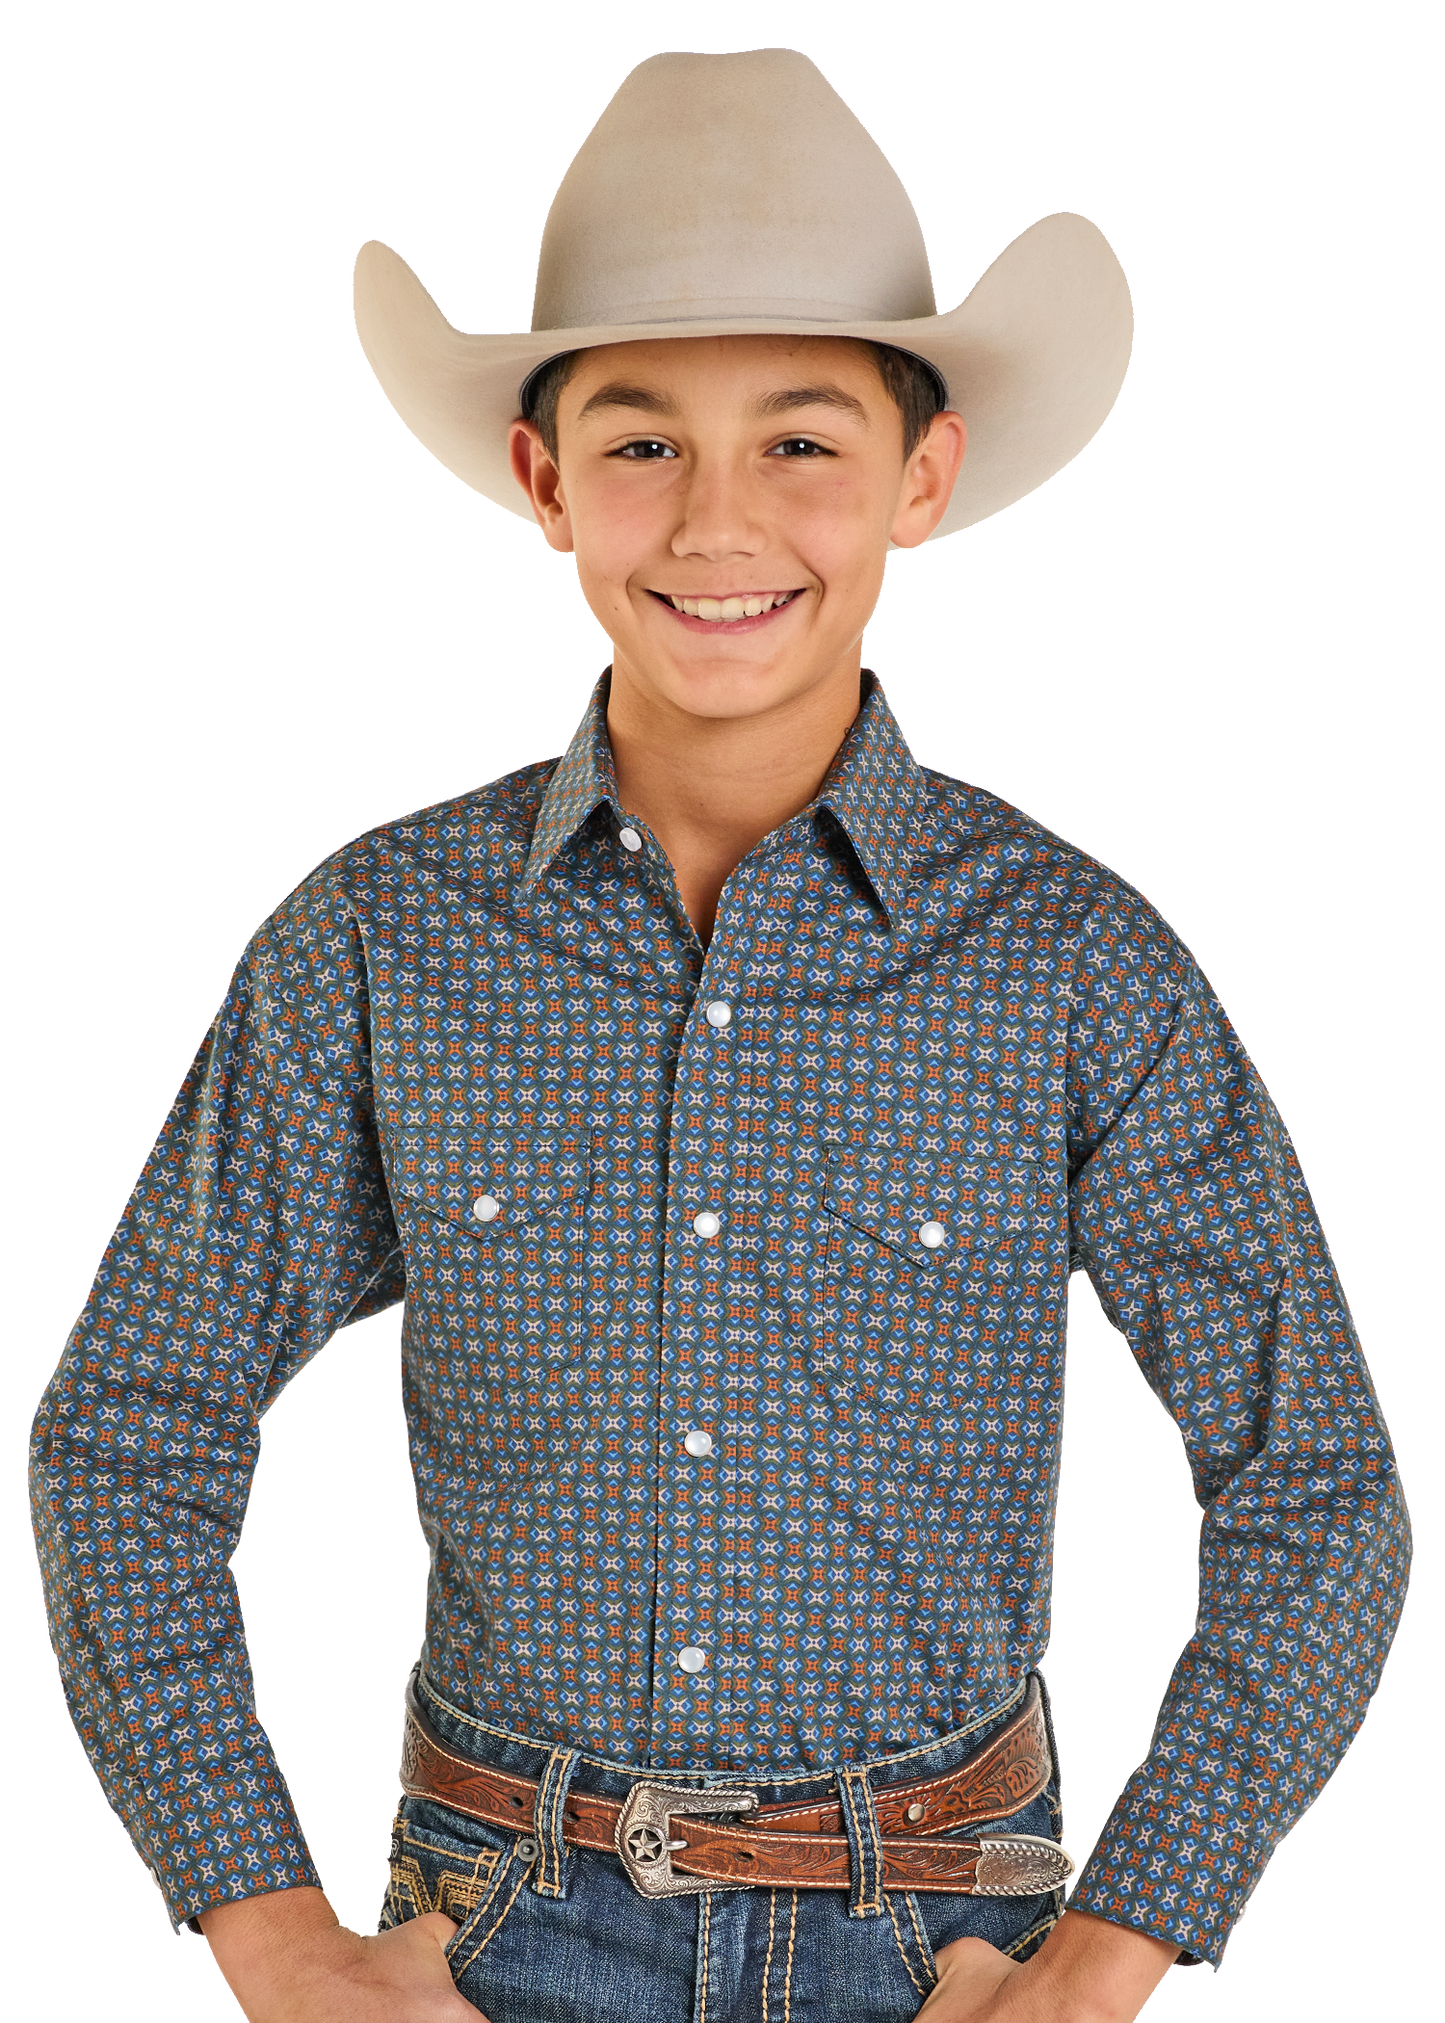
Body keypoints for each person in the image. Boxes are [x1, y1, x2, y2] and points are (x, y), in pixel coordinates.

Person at [27, 46, 1411, 2023]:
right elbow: (125, 1432)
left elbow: (1317, 1487)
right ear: (542, 480)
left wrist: (1113, 1958)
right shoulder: (375, 938)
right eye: (644, 442)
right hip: (488, 1936)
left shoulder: (1070, 959)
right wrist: (264, 1925)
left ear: (920, 478)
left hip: (942, 1942)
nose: (716, 520)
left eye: (800, 440)